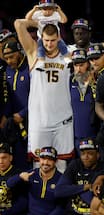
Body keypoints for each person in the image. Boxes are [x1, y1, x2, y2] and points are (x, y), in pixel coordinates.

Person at [14, 19, 74, 171]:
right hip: (39, 120)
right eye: (46, 40)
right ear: (42, 38)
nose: (49, 44)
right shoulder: (33, 52)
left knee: (61, 165)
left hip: (63, 119)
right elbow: (18, 24)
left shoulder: (68, 54)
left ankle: (60, 194)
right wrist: (38, 22)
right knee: (39, 165)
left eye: (53, 40)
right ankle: (39, 195)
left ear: (58, 38)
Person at [40, 138, 104, 215]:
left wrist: (72, 188)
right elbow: (59, 191)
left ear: (98, 155)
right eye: (83, 153)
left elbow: (90, 199)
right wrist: (85, 187)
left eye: (90, 153)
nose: (85, 156)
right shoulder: (75, 165)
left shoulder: (103, 170)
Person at [5, 146, 64, 215]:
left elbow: (61, 209)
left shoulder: (62, 179)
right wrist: (19, 177)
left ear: (56, 161)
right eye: (43, 158)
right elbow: (9, 184)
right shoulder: (33, 173)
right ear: (39, 159)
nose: (45, 162)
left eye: (49, 159)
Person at [2, 41, 30, 170]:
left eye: (11, 57)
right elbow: (7, 97)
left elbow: (38, 98)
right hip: (13, 124)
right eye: (6, 58)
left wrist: (23, 113)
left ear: (19, 53)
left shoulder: (30, 68)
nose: (9, 61)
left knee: (29, 157)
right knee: (15, 160)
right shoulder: (7, 70)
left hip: (30, 121)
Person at [70, 49, 98, 155]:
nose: (78, 69)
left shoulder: (98, 82)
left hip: (93, 134)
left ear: (88, 64)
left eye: (81, 65)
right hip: (73, 135)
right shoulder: (68, 82)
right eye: (75, 65)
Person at [0, 143, 27, 215]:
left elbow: (23, 202)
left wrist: (3, 214)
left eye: (4, 158)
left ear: (10, 158)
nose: (0, 161)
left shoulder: (19, 174)